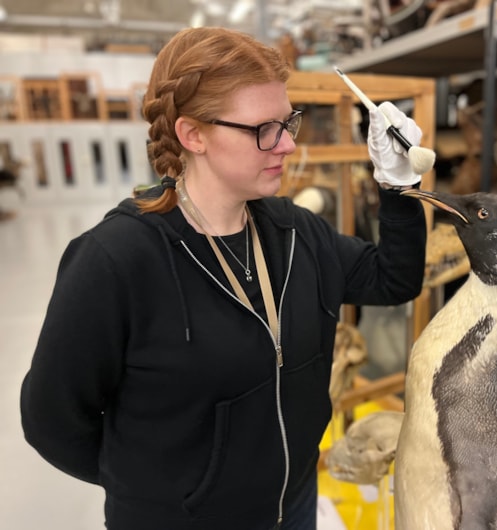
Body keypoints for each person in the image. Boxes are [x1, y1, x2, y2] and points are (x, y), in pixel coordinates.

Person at [20, 27, 427, 530]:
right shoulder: (116, 260)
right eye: (263, 130)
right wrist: (162, 491)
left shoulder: (297, 233)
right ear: (194, 135)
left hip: (294, 504)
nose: (286, 145)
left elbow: (395, 280)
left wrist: (397, 185)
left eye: (288, 122)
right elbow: (51, 422)